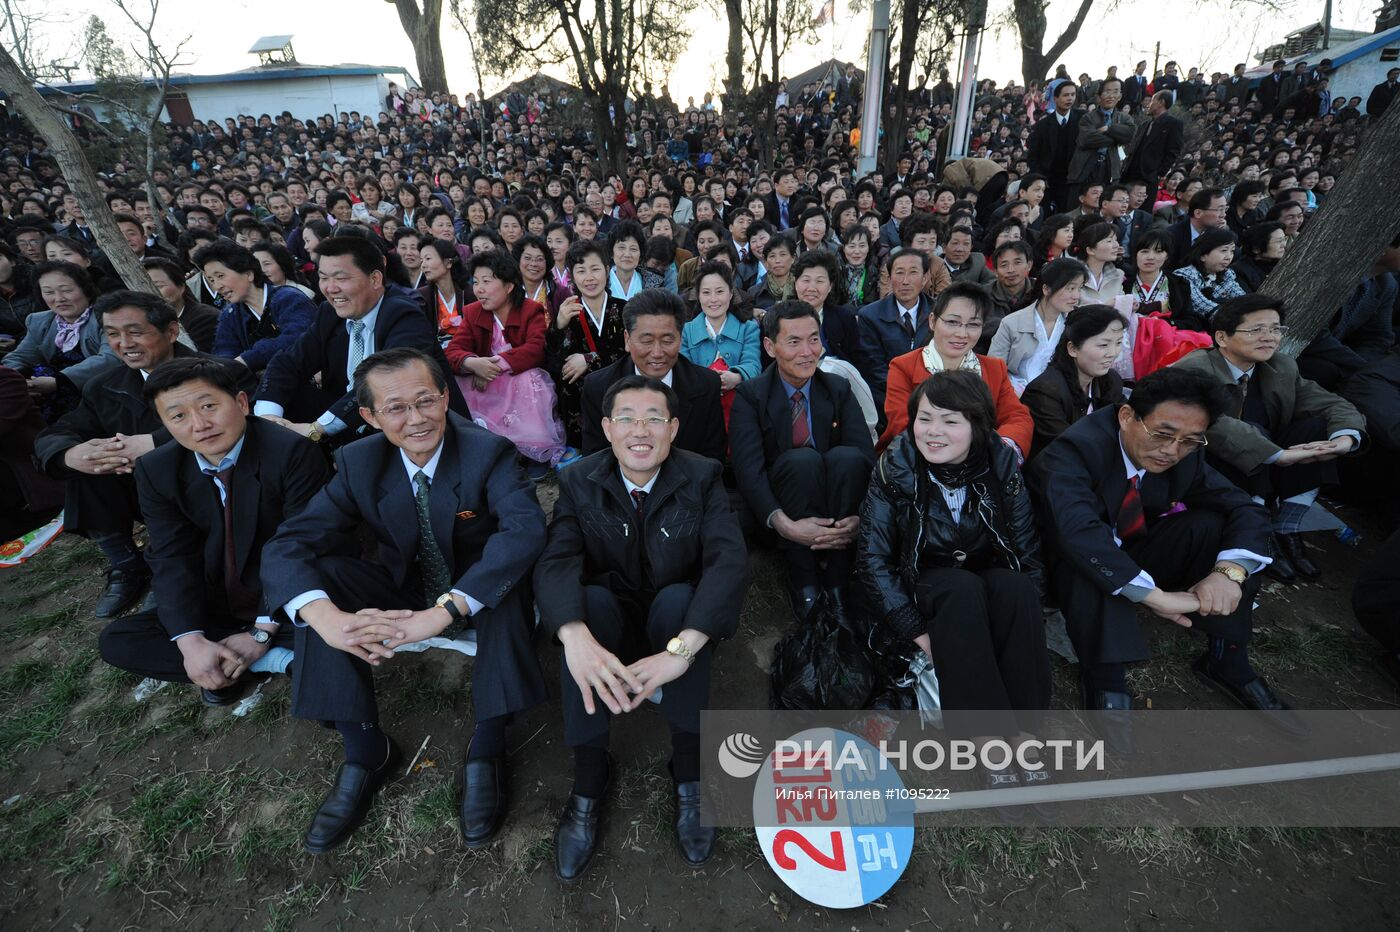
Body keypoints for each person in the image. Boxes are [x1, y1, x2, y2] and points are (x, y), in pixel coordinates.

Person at [260, 347, 549, 854]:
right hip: (403, 585)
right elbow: (291, 543)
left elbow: (524, 530)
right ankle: (365, 748)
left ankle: (488, 743)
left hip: (469, 588)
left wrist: (444, 613)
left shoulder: (488, 451)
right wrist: (324, 617)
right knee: (320, 580)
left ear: (444, 397)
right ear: (369, 417)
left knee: (506, 578)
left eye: (425, 401)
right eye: (395, 408)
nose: (416, 419)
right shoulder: (356, 460)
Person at [535, 375, 748, 880]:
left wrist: (685, 648)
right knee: (583, 605)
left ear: (673, 428)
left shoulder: (702, 475)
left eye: (654, 418)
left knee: (680, 601)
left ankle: (689, 771)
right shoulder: (578, 479)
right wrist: (572, 635)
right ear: (606, 428)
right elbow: (556, 561)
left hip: (672, 624)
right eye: (626, 418)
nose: (640, 430)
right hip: (610, 622)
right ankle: (589, 778)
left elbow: (728, 560)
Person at [1029, 367, 1301, 755]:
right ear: (1127, 416)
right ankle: (1105, 674)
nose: (1171, 451)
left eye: (1190, 441)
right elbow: (1077, 533)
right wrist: (1157, 598)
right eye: (1163, 434)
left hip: (1132, 543)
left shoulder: (1185, 455)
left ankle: (1228, 658)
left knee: (1210, 525)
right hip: (1062, 563)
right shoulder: (1074, 451)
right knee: (1090, 555)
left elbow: (1243, 507)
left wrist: (1229, 573)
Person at [97, 357, 329, 704]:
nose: (199, 424)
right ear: (163, 423)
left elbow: (303, 545)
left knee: (329, 621)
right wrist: (190, 642)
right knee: (119, 641)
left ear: (240, 402)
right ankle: (273, 662)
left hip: (286, 589)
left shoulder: (291, 452)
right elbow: (171, 555)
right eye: (178, 416)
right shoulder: (157, 469)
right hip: (218, 596)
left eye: (208, 406)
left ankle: (247, 660)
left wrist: (262, 632)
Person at [857, 370, 1048, 763]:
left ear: (977, 426)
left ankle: (1026, 732)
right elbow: (873, 559)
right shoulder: (895, 466)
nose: (933, 432)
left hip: (982, 571)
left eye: (950, 421)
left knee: (1017, 589)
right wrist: (915, 630)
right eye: (925, 419)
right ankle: (984, 737)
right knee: (959, 591)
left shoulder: (1001, 463)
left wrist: (1022, 618)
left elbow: (1026, 548)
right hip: (922, 579)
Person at [35, 290, 252, 618]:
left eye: (136, 332)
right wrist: (70, 453)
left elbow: (244, 425)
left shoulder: (220, 373)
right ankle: (126, 563)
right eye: (112, 334)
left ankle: (179, 570)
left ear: (171, 332)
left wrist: (154, 442)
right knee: (90, 462)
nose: (124, 343)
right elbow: (60, 433)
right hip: (139, 490)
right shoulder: (102, 386)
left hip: (211, 487)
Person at [1173, 295, 1366, 581]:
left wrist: (1344, 439)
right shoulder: (1194, 368)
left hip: (1269, 463)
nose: (1269, 338)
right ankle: (1257, 531)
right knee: (1254, 431)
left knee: (1318, 429)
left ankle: (1286, 528)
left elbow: (1330, 404)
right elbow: (1209, 422)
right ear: (1222, 337)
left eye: (1275, 329)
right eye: (1256, 330)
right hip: (1211, 462)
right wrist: (1277, 454)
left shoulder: (1281, 367)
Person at [730, 300, 875, 619]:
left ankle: (838, 582)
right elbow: (748, 470)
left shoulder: (836, 387)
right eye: (794, 342)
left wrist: (860, 517)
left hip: (836, 503)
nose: (807, 351)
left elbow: (864, 454)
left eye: (813, 339)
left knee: (848, 458)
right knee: (801, 462)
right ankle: (805, 581)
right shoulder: (751, 396)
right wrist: (784, 524)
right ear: (770, 346)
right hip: (784, 507)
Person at [253, 235, 467, 445]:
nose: (330, 288)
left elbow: (384, 386)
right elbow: (288, 362)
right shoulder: (329, 313)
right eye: (324, 278)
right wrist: (268, 418)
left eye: (341, 278)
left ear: (375, 279)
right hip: (350, 421)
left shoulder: (403, 315)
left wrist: (315, 430)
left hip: (408, 427)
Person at [876, 283, 1033, 459]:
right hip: (918, 458)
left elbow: (1017, 417)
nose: (962, 333)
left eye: (973, 325)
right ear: (933, 321)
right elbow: (902, 423)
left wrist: (1001, 449)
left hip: (982, 460)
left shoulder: (994, 368)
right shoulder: (904, 367)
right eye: (952, 322)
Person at [445, 250, 566, 469]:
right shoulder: (473, 312)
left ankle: (532, 451)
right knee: (456, 381)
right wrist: (472, 363)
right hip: (484, 383)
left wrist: (493, 365)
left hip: (516, 380)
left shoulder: (530, 309)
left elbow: (535, 349)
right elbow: (454, 350)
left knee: (532, 378)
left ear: (509, 286)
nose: (479, 289)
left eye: (487, 281)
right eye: (476, 282)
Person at [580, 290, 726, 461]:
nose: (657, 353)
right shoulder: (598, 387)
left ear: (680, 339)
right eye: (647, 341)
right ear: (627, 339)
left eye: (667, 341)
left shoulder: (706, 384)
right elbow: (596, 459)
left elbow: (712, 458)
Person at [0, 261, 117, 419]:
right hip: (48, 399)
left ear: (86, 290)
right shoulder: (39, 321)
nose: (59, 298)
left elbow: (111, 358)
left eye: (66, 290)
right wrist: (23, 382)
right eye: (48, 292)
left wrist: (60, 382)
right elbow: (19, 357)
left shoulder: (107, 318)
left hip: (102, 396)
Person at [549, 240, 629, 450]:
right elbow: (555, 361)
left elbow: (630, 350)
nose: (589, 277)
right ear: (572, 276)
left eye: (595, 269)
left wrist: (589, 358)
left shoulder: (625, 309)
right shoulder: (568, 312)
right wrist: (558, 326)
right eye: (581, 271)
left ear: (607, 270)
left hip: (617, 387)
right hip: (580, 397)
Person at [1022, 304, 1127, 458]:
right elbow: (1066, 446)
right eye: (1103, 345)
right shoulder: (1045, 392)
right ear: (1072, 349)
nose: (1112, 353)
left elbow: (1125, 424)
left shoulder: (1111, 380)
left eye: (1118, 343)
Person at [198, 241, 316, 373]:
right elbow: (224, 352)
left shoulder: (288, 298)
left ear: (249, 274)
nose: (217, 286)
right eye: (212, 280)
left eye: (220, 276)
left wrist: (247, 359)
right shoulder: (230, 314)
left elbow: (296, 338)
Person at [989, 257, 1087, 394]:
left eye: (1079, 288)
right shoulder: (1011, 323)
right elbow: (994, 370)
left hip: (1059, 397)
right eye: (1070, 288)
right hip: (1015, 395)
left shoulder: (1075, 324)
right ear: (1046, 289)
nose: (1076, 296)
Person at [855, 249, 936, 412]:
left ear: (925, 277)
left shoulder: (940, 312)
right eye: (899, 273)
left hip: (934, 393)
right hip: (888, 395)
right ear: (889, 277)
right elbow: (874, 367)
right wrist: (905, 394)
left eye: (913, 273)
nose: (905, 281)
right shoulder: (870, 316)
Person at [680, 261, 761, 400]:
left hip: (739, 406)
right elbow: (683, 371)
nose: (713, 299)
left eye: (719, 291)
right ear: (698, 296)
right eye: (706, 292)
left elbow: (753, 365)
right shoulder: (686, 331)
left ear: (731, 294)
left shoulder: (749, 329)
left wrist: (736, 377)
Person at [144, 256, 221, 353]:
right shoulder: (142, 322)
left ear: (181, 287)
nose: (150, 292)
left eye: (158, 286)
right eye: (143, 287)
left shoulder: (205, 318)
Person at [1170, 228, 1245, 326]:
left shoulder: (1227, 274)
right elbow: (1204, 306)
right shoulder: (1184, 275)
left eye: (1232, 251)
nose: (1228, 257)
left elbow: (1243, 299)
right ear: (1203, 255)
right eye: (1224, 250)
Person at [1069, 77, 1134, 190]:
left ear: (1120, 96)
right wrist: (1116, 139)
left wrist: (1108, 129)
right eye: (1107, 91)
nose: (1111, 95)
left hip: (1111, 170)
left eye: (1115, 91)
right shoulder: (1088, 117)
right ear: (1099, 97)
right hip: (1085, 167)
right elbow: (1086, 139)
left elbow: (1129, 135)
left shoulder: (1125, 118)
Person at [1026, 81, 1081, 212]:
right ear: (1055, 98)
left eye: (1072, 95)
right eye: (1066, 95)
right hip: (1047, 181)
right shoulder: (1042, 125)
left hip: (1072, 181)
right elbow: (1033, 155)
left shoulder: (1081, 120)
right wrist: (1041, 179)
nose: (1070, 98)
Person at [1122, 91, 1185, 188]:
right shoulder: (1144, 125)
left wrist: (1158, 173)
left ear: (1161, 102)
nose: (1148, 105)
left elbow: (1174, 150)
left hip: (1149, 179)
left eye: (1152, 100)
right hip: (1129, 175)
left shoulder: (1174, 124)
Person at [417, 237, 471, 342]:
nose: (423, 265)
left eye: (428, 259)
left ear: (448, 262)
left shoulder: (469, 293)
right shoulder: (422, 297)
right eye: (421, 260)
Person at [1165, 188, 1228, 270]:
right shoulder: (1171, 236)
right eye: (1220, 209)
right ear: (1198, 213)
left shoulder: (1219, 232)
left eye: (1225, 209)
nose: (1223, 215)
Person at [1072, 222, 1126, 305]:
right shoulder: (1072, 276)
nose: (1116, 245)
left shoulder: (1118, 275)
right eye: (1109, 241)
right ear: (1090, 250)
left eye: (1115, 240)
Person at [1230, 221, 1287, 293]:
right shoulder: (1239, 272)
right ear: (1256, 249)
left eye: (1284, 239)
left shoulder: (1284, 263)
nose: (1284, 245)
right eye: (1278, 241)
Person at [607, 221, 646, 300]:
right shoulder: (600, 281)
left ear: (640, 254)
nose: (627, 254)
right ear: (612, 252)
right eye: (621, 247)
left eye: (633, 249)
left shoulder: (652, 283)